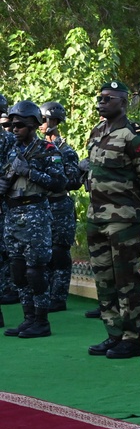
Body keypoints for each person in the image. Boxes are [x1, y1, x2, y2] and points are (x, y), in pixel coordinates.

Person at [83, 81, 140, 359]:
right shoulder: (98, 131)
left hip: (123, 219)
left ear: (123, 103)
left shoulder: (134, 136)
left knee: (126, 280)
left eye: (108, 98)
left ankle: (132, 339)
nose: (101, 101)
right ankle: (114, 334)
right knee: (103, 279)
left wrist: (138, 209)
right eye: (99, 97)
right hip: (96, 216)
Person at [0, 101, 67, 339]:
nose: (14, 129)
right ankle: (28, 318)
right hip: (12, 213)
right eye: (11, 125)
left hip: (35, 213)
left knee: (35, 271)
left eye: (19, 125)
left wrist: (29, 171)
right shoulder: (11, 149)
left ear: (33, 125)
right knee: (17, 270)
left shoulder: (48, 151)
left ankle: (41, 320)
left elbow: (60, 183)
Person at [39, 101, 83, 313]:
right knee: (42, 253)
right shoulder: (37, 148)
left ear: (53, 121)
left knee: (59, 253)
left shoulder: (66, 151)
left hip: (60, 206)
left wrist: (54, 179)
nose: (39, 125)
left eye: (43, 120)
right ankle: (45, 295)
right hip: (42, 206)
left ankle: (58, 297)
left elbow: (75, 181)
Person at [0, 94, 19, 310]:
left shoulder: (8, 140)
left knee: (7, 250)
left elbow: (12, 167)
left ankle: (8, 289)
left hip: (6, 203)